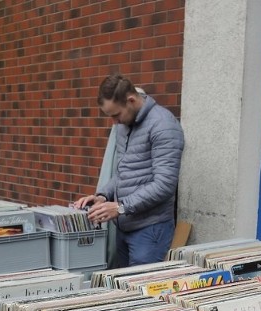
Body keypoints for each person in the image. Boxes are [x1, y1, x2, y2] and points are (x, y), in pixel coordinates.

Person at [73, 74, 185, 267]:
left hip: (150, 231)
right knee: (122, 288)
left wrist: (121, 207)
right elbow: (124, 172)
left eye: (116, 115)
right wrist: (102, 196)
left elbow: (165, 184)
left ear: (131, 100)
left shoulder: (163, 125)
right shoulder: (124, 125)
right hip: (125, 226)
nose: (114, 123)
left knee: (142, 291)